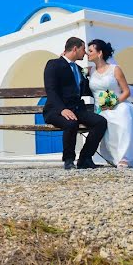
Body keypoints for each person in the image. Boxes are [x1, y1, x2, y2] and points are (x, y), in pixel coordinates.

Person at [86, 39, 133, 168]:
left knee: (124, 114)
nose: (88, 54)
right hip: (100, 109)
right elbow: (72, 71)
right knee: (106, 120)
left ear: (100, 53)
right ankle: (116, 156)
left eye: (91, 51)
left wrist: (113, 104)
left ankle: (125, 158)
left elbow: (126, 92)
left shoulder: (115, 69)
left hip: (118, 104)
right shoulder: (89, 70)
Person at [42, 36, 107, 169]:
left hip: (78, 109)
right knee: (71, 123)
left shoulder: (78, 69)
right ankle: (69, 160)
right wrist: (62, 109)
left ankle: (85, 158)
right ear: (75, 48)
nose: (86, 53)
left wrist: (107, 96)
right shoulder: (53, 64)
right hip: (55, 110)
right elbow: (51, 90)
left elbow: (88, 89)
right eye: (84, 49)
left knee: (100, 122)